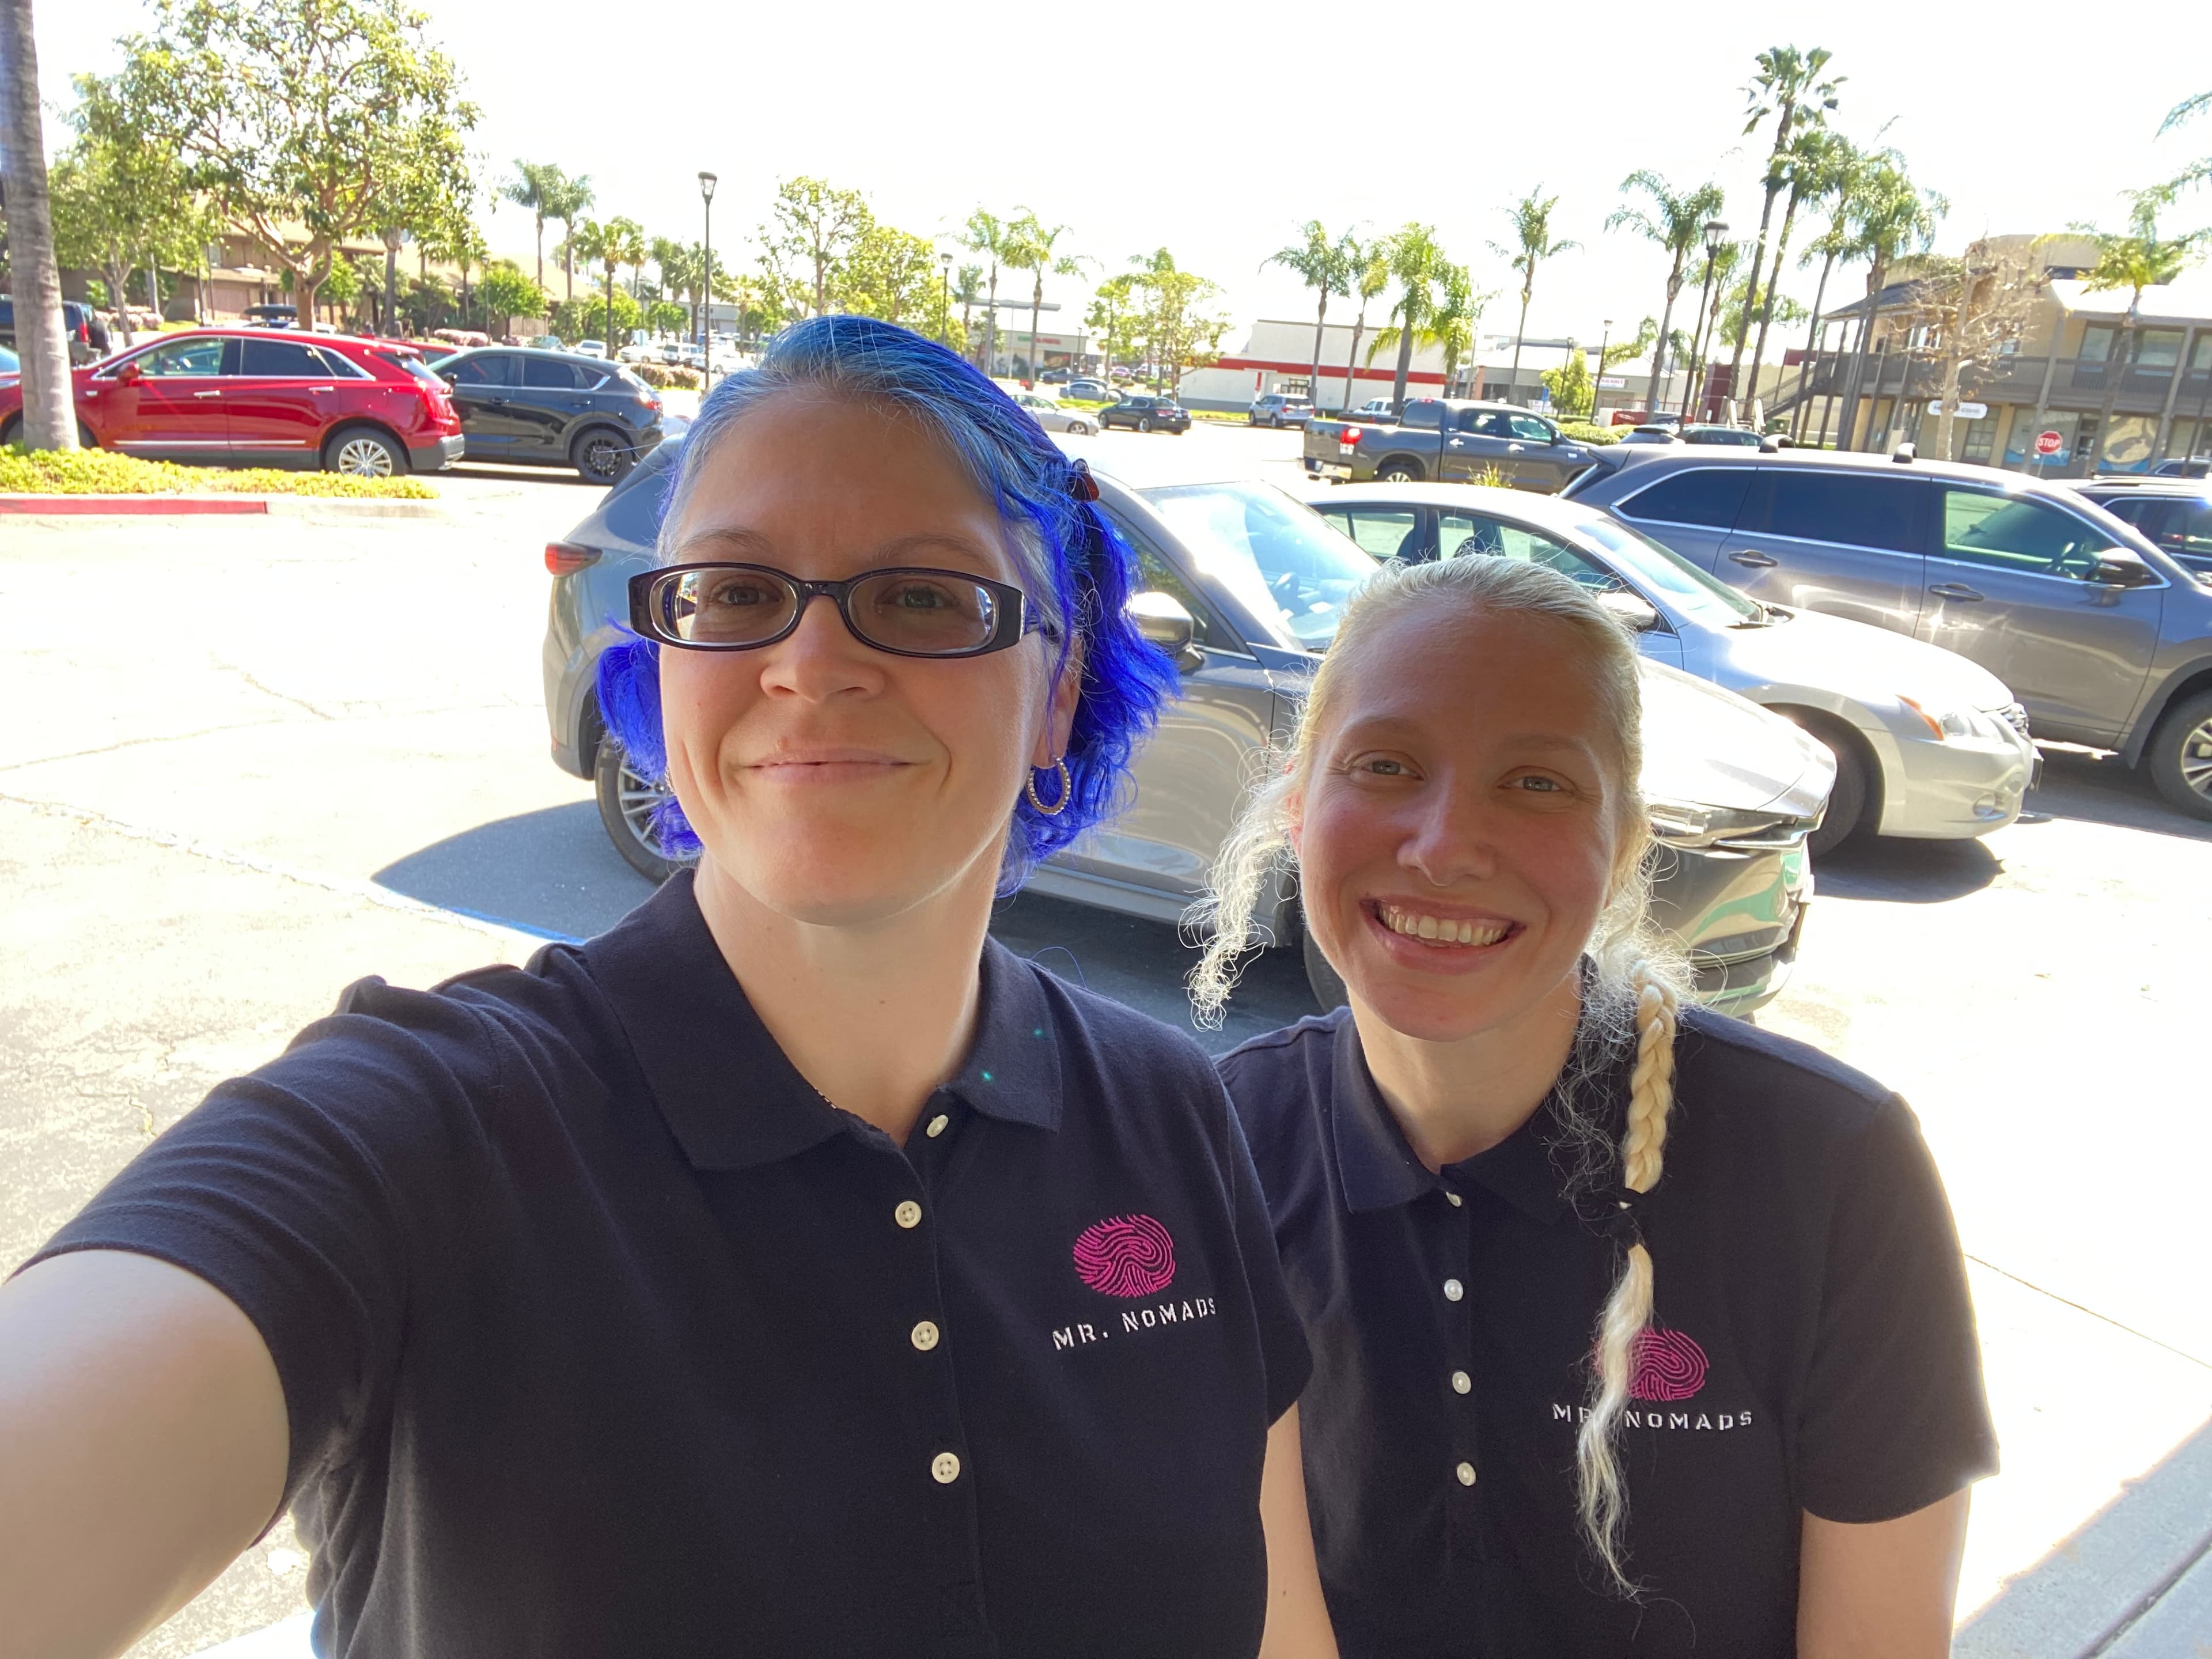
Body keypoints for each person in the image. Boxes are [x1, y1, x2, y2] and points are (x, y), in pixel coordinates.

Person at [0, 316, 1336, 1659]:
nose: (810, 664)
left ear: (1057, 691)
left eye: (925, 597)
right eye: (736, 593)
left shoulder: (1171, 1119)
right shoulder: (426, 1132)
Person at [1191, 555, 1995, 1657]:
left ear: (1624, 846)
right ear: (1298, 805)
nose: (1444, 847)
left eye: (1537, 782)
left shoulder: (1833, 1168)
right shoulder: (1219, 1143)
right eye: (1386, 764)